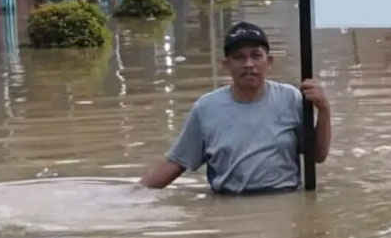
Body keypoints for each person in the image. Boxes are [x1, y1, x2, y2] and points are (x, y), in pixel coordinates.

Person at [138, 21, 331, 193]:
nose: (248, 64)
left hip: (283, 200)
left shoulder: (291, 98)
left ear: (269, 62)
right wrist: (133, 194)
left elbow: (318, 156)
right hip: (229, 206)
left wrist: (324, 111)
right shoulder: (206, 108)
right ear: (226, 65)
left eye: (256, 56)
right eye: (239, 57)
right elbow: (176, 162)